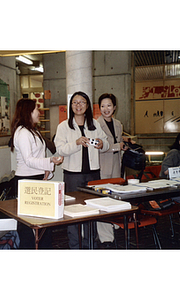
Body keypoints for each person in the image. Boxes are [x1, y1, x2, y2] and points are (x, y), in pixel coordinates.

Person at [54, 91, 109, 248]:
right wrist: (76, 143)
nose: (78, 105)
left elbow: (104, 143)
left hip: (93, 174)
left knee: (92, 210)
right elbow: (61, 149)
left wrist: (101, 144)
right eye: (75, 103)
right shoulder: (63, 126)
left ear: (87, 105)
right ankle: (75, 246)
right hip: (73, 175)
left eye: (82, 102)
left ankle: (91, 245)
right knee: (74, 212)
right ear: (71, 106)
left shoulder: (94, 124)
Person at [10, 98, 63, 249]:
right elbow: (28, 160)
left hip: (37, 178)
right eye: (36, 109)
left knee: (44, 221)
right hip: (27, 180)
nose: (39, 112)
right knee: (28, 225)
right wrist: (50, 161)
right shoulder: (22, 133)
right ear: (28, 111)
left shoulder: (32, 130)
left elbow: (38, 157)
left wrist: (46, 169)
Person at [96, 93, 128, 248]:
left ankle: (113, 228)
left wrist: (124, 144)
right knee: (103, 201)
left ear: (114, 107)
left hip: (117, 166)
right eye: (102, 106)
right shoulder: (95, 125)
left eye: (109, 105)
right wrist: (117, 146)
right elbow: (99, 148)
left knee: (114, 199)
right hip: (102, 167)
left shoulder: (118, 124)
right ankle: (105, 238)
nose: (106, 109)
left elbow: (118, 141)